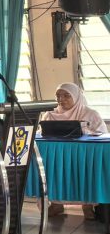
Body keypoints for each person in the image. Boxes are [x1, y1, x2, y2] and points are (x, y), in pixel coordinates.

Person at [41, 83, 107, 219]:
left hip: (83, 155)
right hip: (57, 155)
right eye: (58, 96)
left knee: (85, 174)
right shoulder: (50, 115)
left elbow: (102, 135)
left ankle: (87, 206)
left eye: (66, 96)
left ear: (76, 97)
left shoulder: (90, 114)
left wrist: (85, 131)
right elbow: (41, 134)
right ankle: (56, 204)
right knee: (54, 173)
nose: (61, 99)